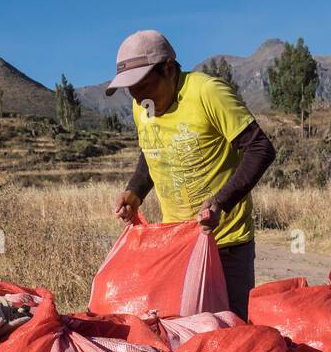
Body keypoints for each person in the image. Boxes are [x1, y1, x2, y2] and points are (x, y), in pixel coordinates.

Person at [108, 30, 276, 319]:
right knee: (182, 330)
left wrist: (221, 202)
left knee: (228, 332)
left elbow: (260, 148)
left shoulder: (207, 93)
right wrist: (135, 191)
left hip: (225, 243)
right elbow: (152, 151)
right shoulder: (141, 107)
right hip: (178, 243)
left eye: (142, 85)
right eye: (130, 90)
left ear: (169, 69)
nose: (137, 97)